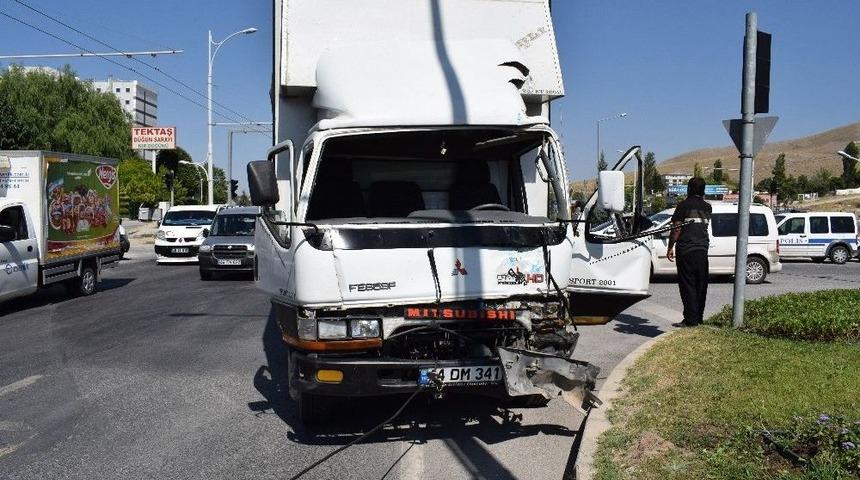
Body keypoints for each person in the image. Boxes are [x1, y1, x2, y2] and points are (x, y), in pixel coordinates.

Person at [666, 177, 711, 326]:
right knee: (701, 285)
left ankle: (690, 320)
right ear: (703, 190)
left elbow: (676, 229)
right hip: (702, 250)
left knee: (688, 285)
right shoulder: (707, 207)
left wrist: (670, 247)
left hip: (686, 250)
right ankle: (698, 318)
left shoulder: (683, 206)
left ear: (689, 189)